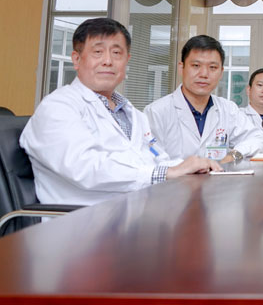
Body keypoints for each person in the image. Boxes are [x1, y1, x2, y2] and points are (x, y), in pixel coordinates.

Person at [20, 18, 220, 206]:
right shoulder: (58, 107)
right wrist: (164, 173)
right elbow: (84, 168)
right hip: (83, 220)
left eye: (117, 53)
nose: (108, 61)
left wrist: (193, 166)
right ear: (77, 59)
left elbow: (157, 158)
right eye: (98, 52)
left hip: (135, 212)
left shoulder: (131, 113)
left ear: (127, 60)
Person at [145, 35, 263, 163]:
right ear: (181, 68)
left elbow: (258, 139)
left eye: (212, 67)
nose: (204, 74)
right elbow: (150, 159)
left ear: (221, 72)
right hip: (175, 176)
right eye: (196, 65)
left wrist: (233, 156)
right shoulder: (156, 112)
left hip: (218, 176)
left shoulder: (227, 109)